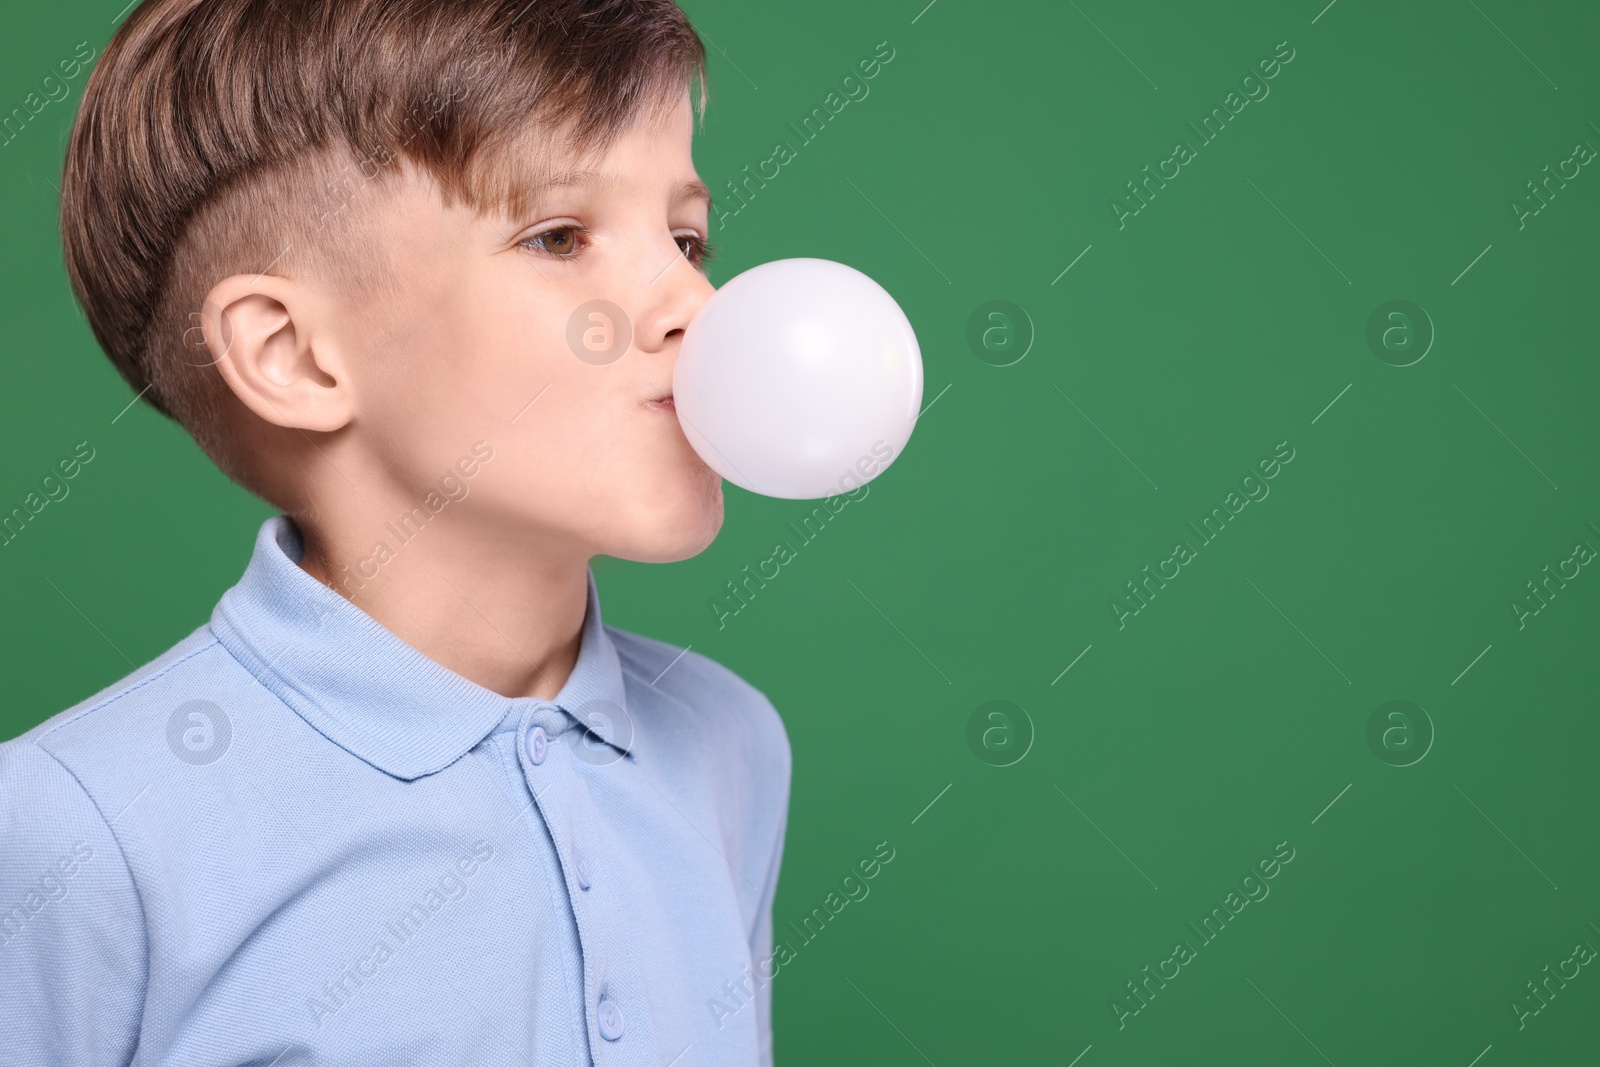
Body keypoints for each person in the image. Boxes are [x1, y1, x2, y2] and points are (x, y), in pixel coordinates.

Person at [0, 1, 791, 1063]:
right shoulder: (75, 825)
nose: (697, 301)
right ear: (294, 356)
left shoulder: (727, 743)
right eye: (558, 235)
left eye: (686, 237)